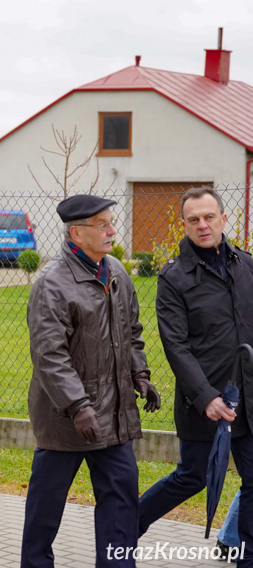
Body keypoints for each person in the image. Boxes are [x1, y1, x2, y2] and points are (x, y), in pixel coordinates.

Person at [20, 194, 160, 568]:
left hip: (113, 417)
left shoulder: (115, 271)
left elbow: (131, 330)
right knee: (45, 511)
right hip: (65, 421)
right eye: (102, 224)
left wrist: (139, 373)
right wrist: (78, 406)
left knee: (121, 503)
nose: (113, 229)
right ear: (77, 232)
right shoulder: (52, 283)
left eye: (110, 221)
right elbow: (49, 355)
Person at [138, 187, 253, 566]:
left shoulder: (246, 265)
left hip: (248, 402)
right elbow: (176, 347)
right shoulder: (174, 278)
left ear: (222, 217)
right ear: (184, 225)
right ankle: (124, 526)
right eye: (193, 220)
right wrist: (206, 397)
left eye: (209, 217)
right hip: (205, 404)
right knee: (192, 477)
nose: (202, 225)